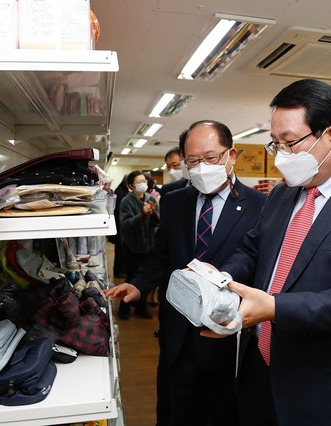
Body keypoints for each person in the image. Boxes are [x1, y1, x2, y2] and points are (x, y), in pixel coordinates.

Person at [202, 79, 331, 426]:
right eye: (276, 144)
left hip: (322, 385)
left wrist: (275, 308)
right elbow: (254, 248)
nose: (282, 155)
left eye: (290, 143)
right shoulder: (284, 195)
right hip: (260, 370)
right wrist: (222, 278)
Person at [106, 120, 268, 426]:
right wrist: (138, 285)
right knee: (176, 408)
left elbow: (255, 260)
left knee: (223, 410)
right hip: (178, 328)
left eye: (211, 158)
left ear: (231, 155)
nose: (201, 167)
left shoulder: (260, 206)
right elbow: (162, 254)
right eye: (193, 161)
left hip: (226, 331)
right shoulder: (175, 199)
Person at [117, 170, 159, 320]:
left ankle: (141, 307)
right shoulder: (126, 201)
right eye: (139, 182)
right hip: (131, 246)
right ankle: (124, 307)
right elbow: (126, 224)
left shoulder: (150, 198)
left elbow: (157, 221)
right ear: (130, 185)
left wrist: (153, 213)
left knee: (145, 278)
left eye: (144, 181)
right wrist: (141, 214)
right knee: (132, 277)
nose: (143, 184)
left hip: (148, 245)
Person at [159, 131, 190, 200]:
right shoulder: (167, 189)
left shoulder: (200, 186)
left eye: (175, 165)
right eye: (168, 167)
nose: (171, 171)